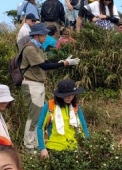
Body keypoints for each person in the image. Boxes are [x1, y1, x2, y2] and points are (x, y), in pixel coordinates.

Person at [20, 23, 78, 152]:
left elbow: (46, 63)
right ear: (36, 35)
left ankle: (33, 143)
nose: (45, 36)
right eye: (43, 34)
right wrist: (64, 64)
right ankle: (29, 145)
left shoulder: (38, 48)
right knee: (34, 116)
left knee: (39, 115)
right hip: (31, 84)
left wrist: (61, 62)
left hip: (38, 83)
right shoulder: (30, 48)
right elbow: (44, 66)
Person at [36, 79, 88, 158]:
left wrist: (87, 145)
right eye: (66, 94)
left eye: (72, 94)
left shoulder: (76, 107)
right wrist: (42, 148)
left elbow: (84, 127)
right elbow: (40, 127)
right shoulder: (50, 105)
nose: (70, 97)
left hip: (73, 148)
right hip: (53, 148)